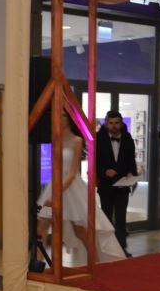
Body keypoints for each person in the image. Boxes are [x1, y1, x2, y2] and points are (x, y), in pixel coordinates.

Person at [36, 112, 126, 264]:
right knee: (42, 227)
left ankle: (95, 261)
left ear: (69, 119)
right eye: (59, 115)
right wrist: (53, 190)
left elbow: (72, 173)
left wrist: (57, 193)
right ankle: (39, 264)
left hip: (71, 189)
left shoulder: (77, 141)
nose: (59, 118)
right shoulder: (55, 139)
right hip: (55, 184)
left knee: (79, 230)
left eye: (64, 116)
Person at [96, 110, 138, 257]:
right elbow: (94, 161)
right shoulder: (99, 139)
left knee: (121, 218)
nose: (114, 126)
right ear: (106, 124)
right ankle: (106, 249)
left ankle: (121, 248)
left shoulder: (127, 138)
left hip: (122, 184)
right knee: (106, 217)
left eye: (117, 123)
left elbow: (131, 160)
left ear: (121, 124)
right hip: (106, 184)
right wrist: (104, 171)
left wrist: (131, 173)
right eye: (111, 123)